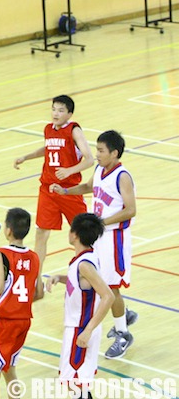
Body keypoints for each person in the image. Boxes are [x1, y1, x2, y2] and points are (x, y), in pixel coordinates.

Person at [49, 130, 137, 359]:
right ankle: (122, 314)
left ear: (114, 153)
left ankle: (123, 334)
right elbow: (89, 187)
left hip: (115, 238)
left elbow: (130, 210)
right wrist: (66, 191)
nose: (96, 154)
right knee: (99, 281)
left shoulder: (123, 176)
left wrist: (101, 222)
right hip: (100, 236)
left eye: (100, 151)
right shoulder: (99, 169)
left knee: (110, 287)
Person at [13, 95, 93, 275]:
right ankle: (35, 278)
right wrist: (26, 157)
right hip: (48, 189)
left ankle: (88, 272)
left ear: (69, 114)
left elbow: (89, 160)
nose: (56, 113)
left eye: (61, 110)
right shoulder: (48, 129)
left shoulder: (74, 130)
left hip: (69, 191)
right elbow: (48, 148)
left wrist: (70, 170)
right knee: (41, 233)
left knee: (81, 234)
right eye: (54, 109)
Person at [46, 213, 115, 398]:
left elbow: (108, 296)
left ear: (75, 234)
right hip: (78, 327)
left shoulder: (84, 265)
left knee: (75, 384)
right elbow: (82, 284)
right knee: (77, 385)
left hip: (81, 328)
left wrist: (88, 330)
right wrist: (59, 278)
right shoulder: (86, 258)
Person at [0, 207, 43, 399]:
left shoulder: (1, 254)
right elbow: (39, 293)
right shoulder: (34, 257)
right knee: (10, 369)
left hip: (3, 321)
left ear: (8, 230)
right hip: (23, 320)